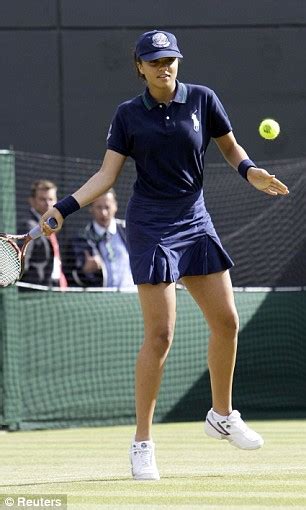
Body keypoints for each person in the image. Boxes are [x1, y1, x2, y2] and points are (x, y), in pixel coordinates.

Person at [40, 30, 289, 480]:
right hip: (151, 226)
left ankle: (221, 414)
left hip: (196, 221)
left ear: (178, 61)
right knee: (161, 335)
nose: (164, 67)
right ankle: (142, 444)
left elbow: (230, 148)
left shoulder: (203, 100)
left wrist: (250, 172)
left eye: (170, 59)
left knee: (227, 322)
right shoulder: (128, 115)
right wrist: (65, 207)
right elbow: (107, 173)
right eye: (154, 61)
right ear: (140, 66)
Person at [65, 189, 134, 288]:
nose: (104, 213)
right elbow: (72, 277)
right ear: (91, 209)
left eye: (107, 207)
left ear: (115, 206)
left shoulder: (130, 231)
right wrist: (85, 271)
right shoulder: (80, 239)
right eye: (99, 207)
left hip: (132, 294)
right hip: (100, 298)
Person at [20, 180, 67, 288]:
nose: (48, 203)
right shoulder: (28, 226)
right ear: (31, 201)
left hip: (55, 287)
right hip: (35, 291)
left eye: (51, 199)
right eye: (42, 199)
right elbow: (23, 263)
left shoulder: (53, 224)